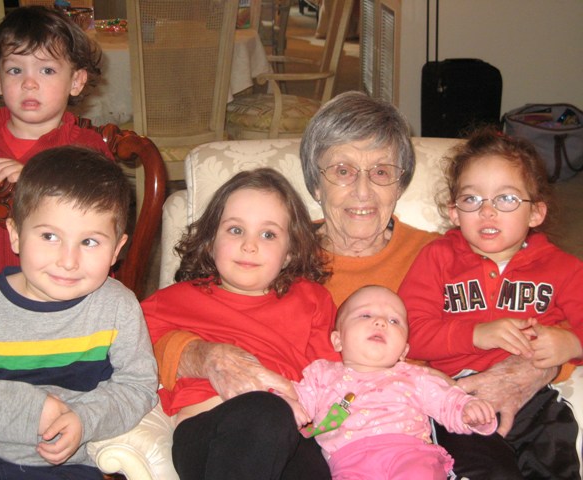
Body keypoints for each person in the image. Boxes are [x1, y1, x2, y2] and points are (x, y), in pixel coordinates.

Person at [152, 92, 558, 472]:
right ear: (315, 183)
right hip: (335, 439)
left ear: (400, 183)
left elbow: (547, 306)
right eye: (343, 171)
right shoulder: (275, 257)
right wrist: (205, 355)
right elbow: (158, 324)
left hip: (432, 418)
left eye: (381, 172)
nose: (362, 191)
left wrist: (530, 369)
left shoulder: (443, 255)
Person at [0, 146, 158, 479]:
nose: (68, 261)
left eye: (89, 242)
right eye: (49, 236)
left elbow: (138, 386)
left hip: (66, 464)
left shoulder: (118, 308)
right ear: (16, 235)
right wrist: (29, 411)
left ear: (117, 249)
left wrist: (86, 419)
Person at [398, 127, 583, 479]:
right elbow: (410, 334)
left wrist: (571, 343)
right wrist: (476, 334)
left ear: (535, 213)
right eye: (471, 199)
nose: (487, 212)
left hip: (537, 401)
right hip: (460, 400)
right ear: (454, 212)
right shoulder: (438, 258)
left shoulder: (563, 267)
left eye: (506, 199)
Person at [143, 168, 340, 479]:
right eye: (235, 230)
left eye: (268, 234)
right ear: (210, 241)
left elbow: (330, 379)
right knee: (266, 412)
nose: (250, 245)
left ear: (290, 252)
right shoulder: (171, 301)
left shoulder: (313, 300)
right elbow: (124, 352)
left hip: (293, 437)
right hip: (209, 432)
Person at [0, 6, 111, 287]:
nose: (29, 83)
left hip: (74, 288)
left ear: (76, 81)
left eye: (47, 70)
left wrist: (35, 183)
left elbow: (105, 216)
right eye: (15, 70)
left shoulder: (86, 149)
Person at [282, 285, 497, 480]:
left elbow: (446, 401)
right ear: (338, 340)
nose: (380, 322)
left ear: (404, 351)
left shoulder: (415, 377)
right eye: (365, 315)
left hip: (409, 454)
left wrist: (469, 411)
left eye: (394, 321)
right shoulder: (321, 375)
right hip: (349, 464)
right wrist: (288, 405)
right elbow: (296, 401)